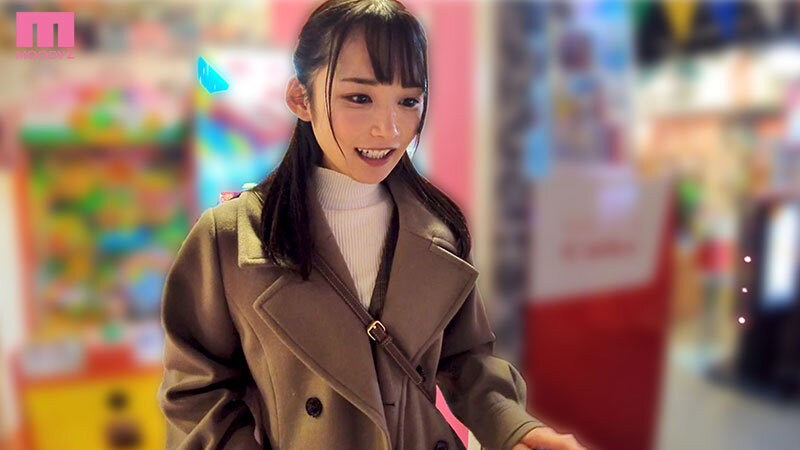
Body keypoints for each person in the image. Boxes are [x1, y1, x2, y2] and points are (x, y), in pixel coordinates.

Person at [158, 1, 587, 449]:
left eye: (408, 101)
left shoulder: (438, 228)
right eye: (359, 98)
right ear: (301, 98)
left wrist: (516, 429)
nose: (389, 129)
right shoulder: (231, 238)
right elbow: (195, 391)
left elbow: (467, 360)